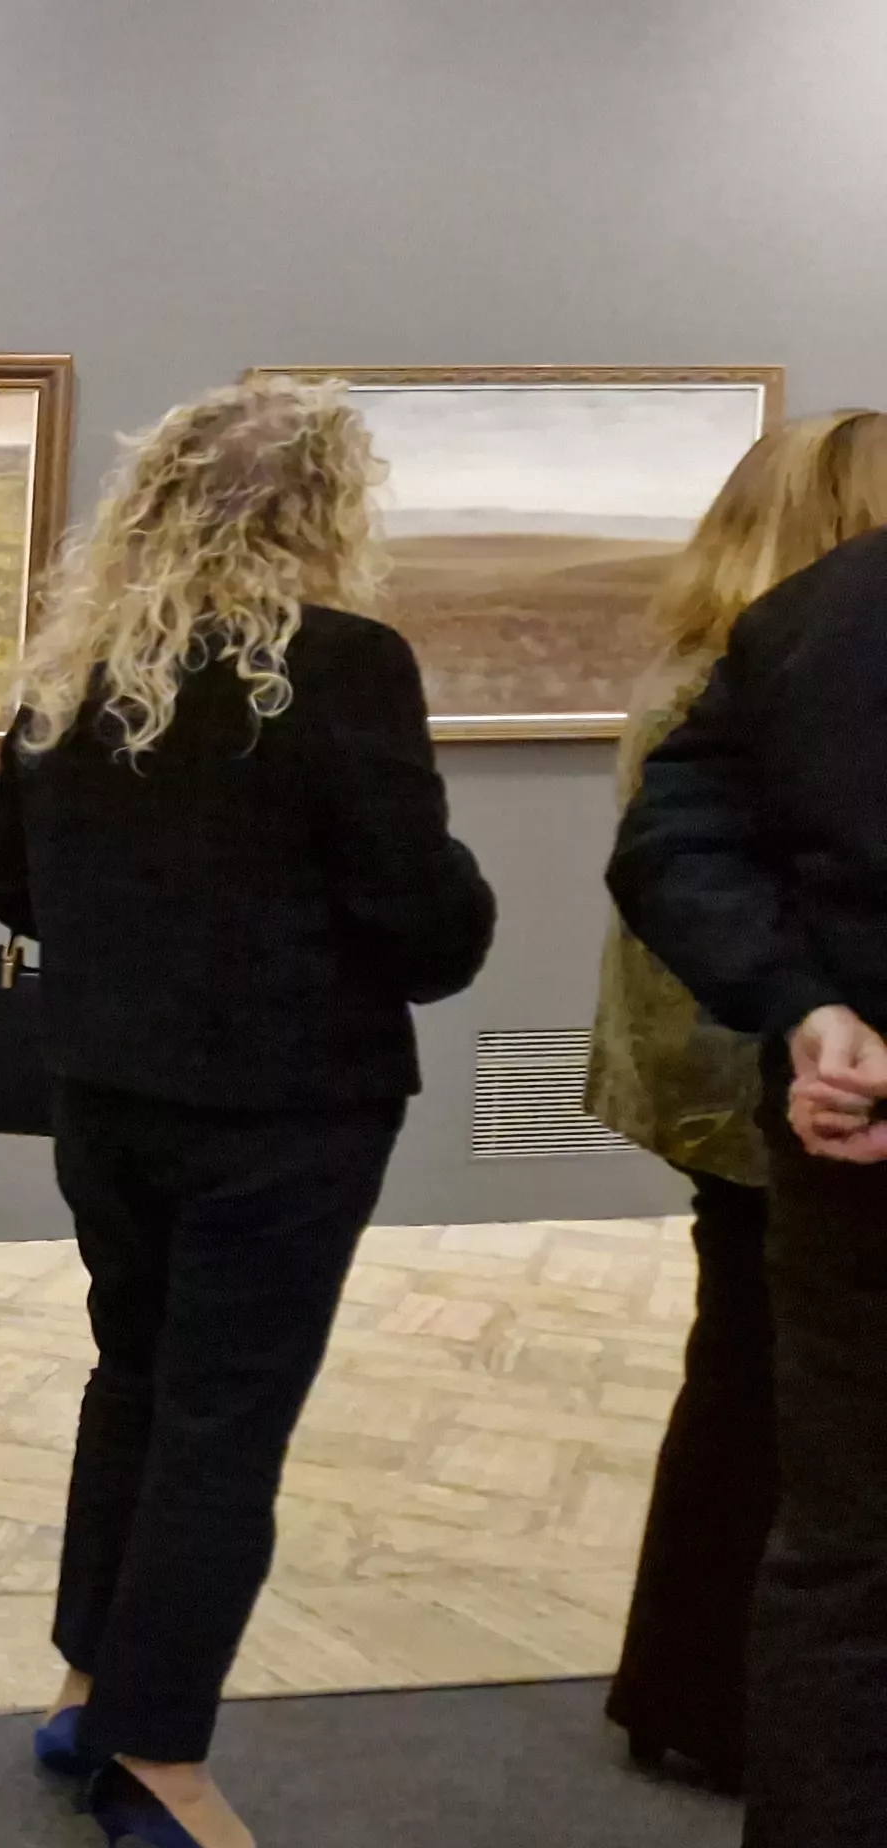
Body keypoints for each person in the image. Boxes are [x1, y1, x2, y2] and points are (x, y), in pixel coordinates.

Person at [0, 376, 496, 1848]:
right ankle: (158, 1760)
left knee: (133, 1380)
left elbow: (15, 891)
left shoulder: (75, 667)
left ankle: (92, 1683)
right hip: (286, 1111)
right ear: (327, 510)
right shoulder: (342, 665)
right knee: (224, 1420)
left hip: (102, 1092)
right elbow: (426, 927)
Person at [591, 412, 887, 1795]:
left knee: (767, 1420)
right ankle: (708, 1694)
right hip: (783, 1101)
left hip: (787, 1090)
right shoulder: (781, 666)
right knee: (775, 1427)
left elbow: (675, 863)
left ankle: (696, 1689)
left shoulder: (737, 664)